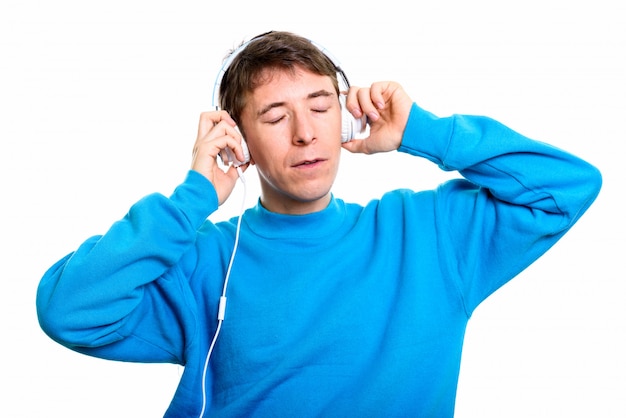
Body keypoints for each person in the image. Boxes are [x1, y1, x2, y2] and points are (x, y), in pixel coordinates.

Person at [36, 30, 602, 417]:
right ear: (241, 141)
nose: (305, 133)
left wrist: (424, 132)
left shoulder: (427, 233)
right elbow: (68, 311)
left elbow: (567, 187)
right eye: (276, 117)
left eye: (321, 106)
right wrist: (191, 200)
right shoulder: (206, 259)